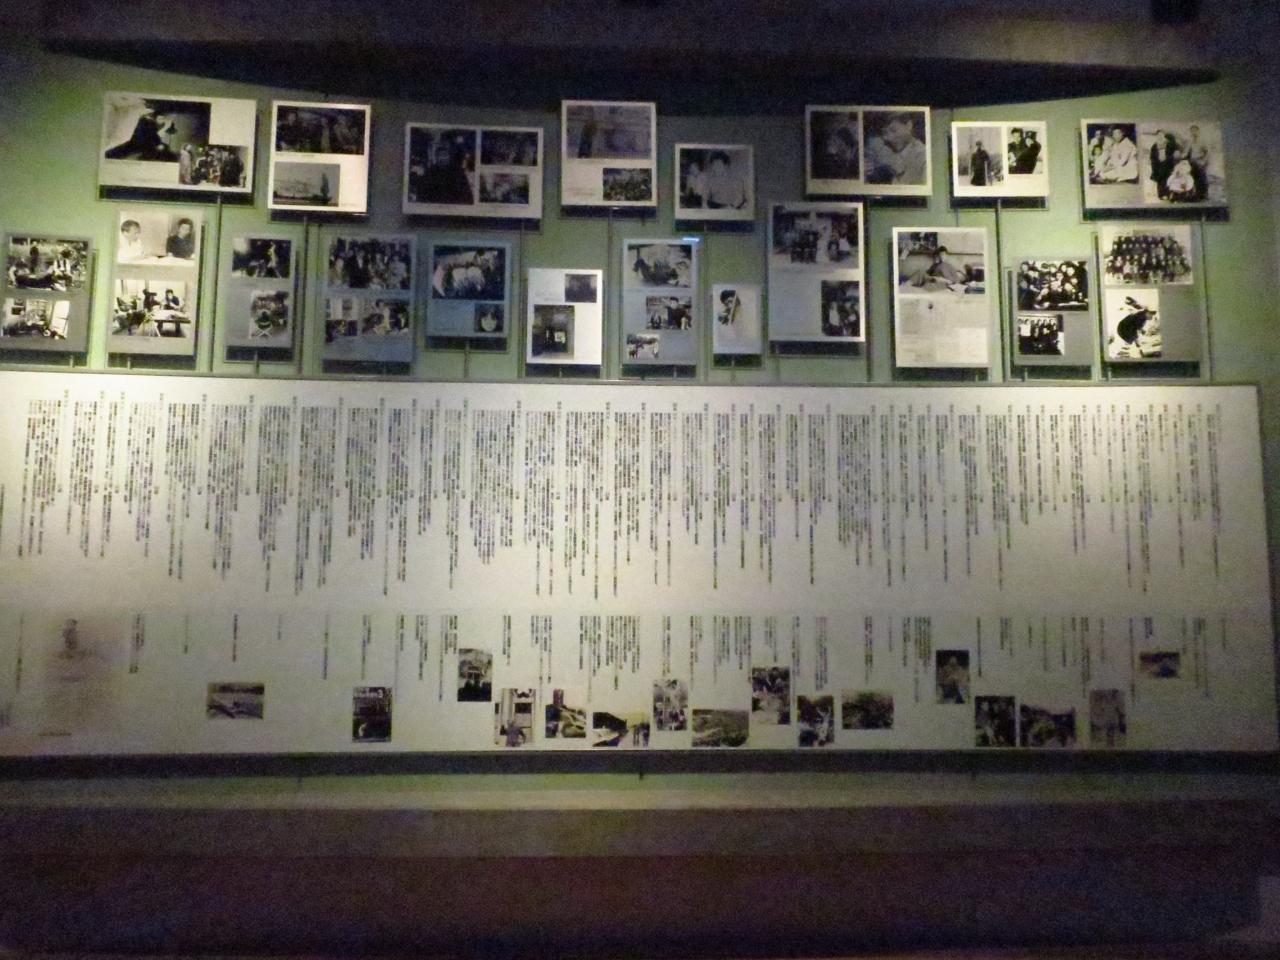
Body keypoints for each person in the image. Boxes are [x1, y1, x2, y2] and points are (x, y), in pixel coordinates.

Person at [865, 112, 926, 185]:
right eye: (885, 133)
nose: (889, 138)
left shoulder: (923, 157)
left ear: (909, 126)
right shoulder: (883, 156)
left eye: (893, 130)